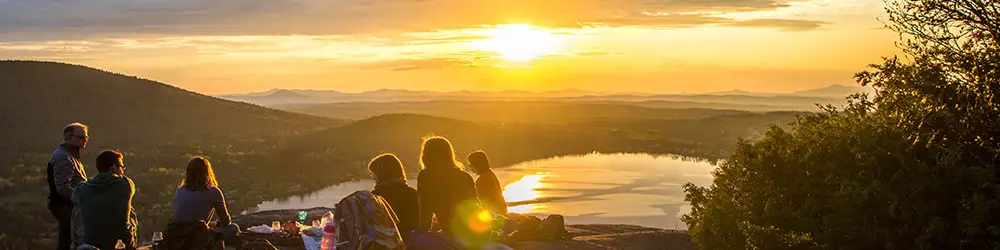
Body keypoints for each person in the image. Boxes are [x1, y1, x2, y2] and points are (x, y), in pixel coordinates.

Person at [160, 157, 240, 250]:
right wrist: (216, 224)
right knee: (233, 228)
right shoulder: (213, 191)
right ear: (207, 172)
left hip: (174, 235)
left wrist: (209, 224)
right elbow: (225, 221)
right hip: (195, 237)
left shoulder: (180, 190)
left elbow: (186, 218)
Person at [416, 136, 483, 239]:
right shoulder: (465, 176)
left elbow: (425, 214)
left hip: (453, 234)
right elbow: (477, 208)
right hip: (478, 232)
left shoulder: (426, 176)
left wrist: (422, 237)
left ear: (426, 155)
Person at [72, 150, 138, 250]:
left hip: (90, 244)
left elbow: (73, 198)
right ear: (114, 168)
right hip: (120, 244)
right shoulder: (125, 184)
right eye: (121, 167)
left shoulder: (81, 189)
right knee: (130, 211)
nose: (123, 171)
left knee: (77, 209)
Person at [47, 122, 89, 250]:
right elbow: (62, 187)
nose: (85, 140)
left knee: (70, 239)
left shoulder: (71, 155)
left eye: (86, 137)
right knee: (67, 240)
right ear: (69, 137)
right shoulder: (64, 157)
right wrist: (81, 200)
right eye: (81, 137)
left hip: (68, 204)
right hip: (65, 205)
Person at [368, 153, 419, 241]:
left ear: (381, 174)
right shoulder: (413, 194)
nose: (373, 178)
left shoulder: (376, 198)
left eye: (374, 174)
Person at [467, 150, 508, 215]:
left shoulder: (481, 180)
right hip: (501, 211)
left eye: (470, 164)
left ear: (477, 164)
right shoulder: (490, 174)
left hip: (493, 215)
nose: (470, 167)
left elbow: (481, 202)